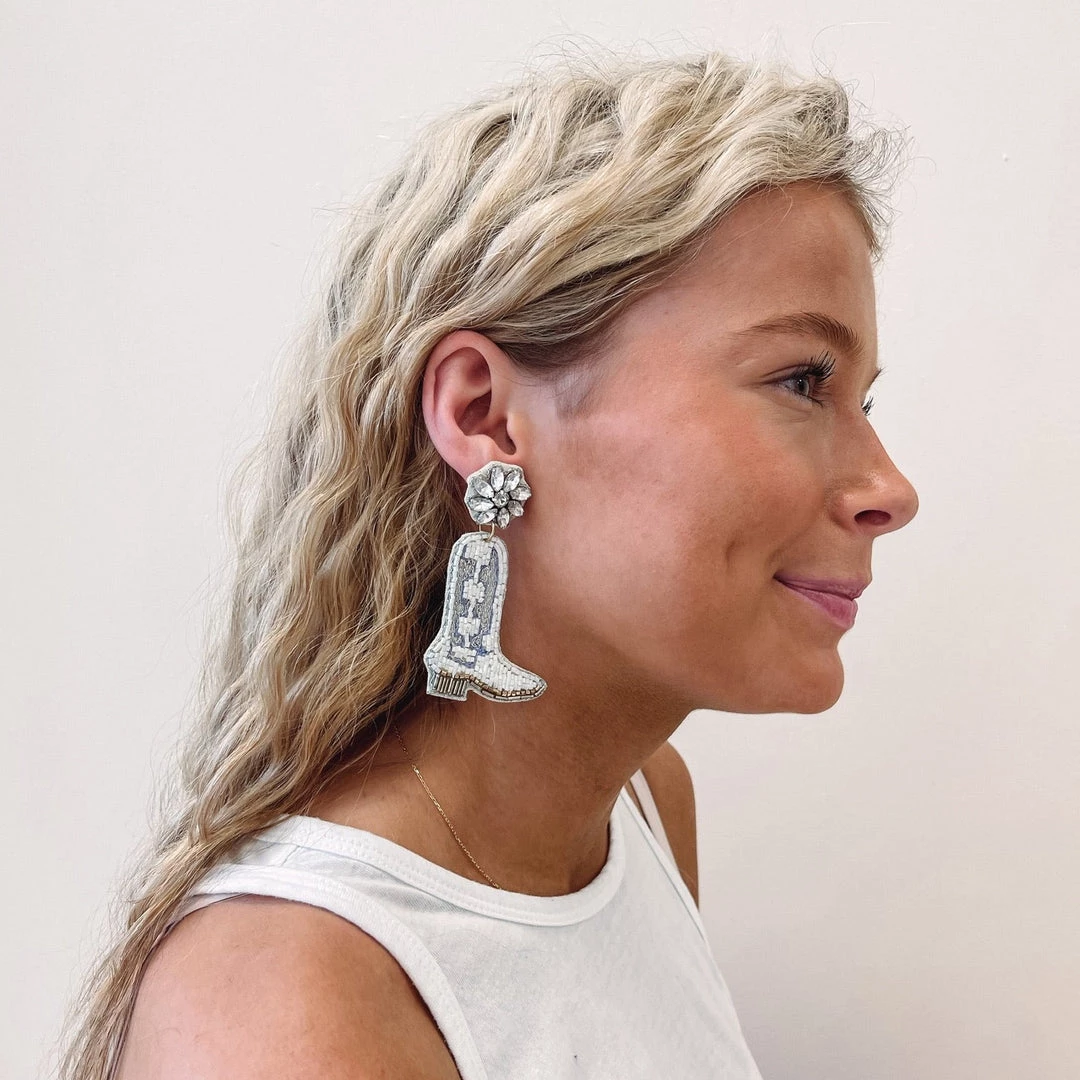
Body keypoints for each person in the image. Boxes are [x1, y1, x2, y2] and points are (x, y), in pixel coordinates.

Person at [57, 45, 919, 1079]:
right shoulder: (286, 999)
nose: (889, 487)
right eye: (801, 380)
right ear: (485, 417)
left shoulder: (642, 812)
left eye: (862, 399)